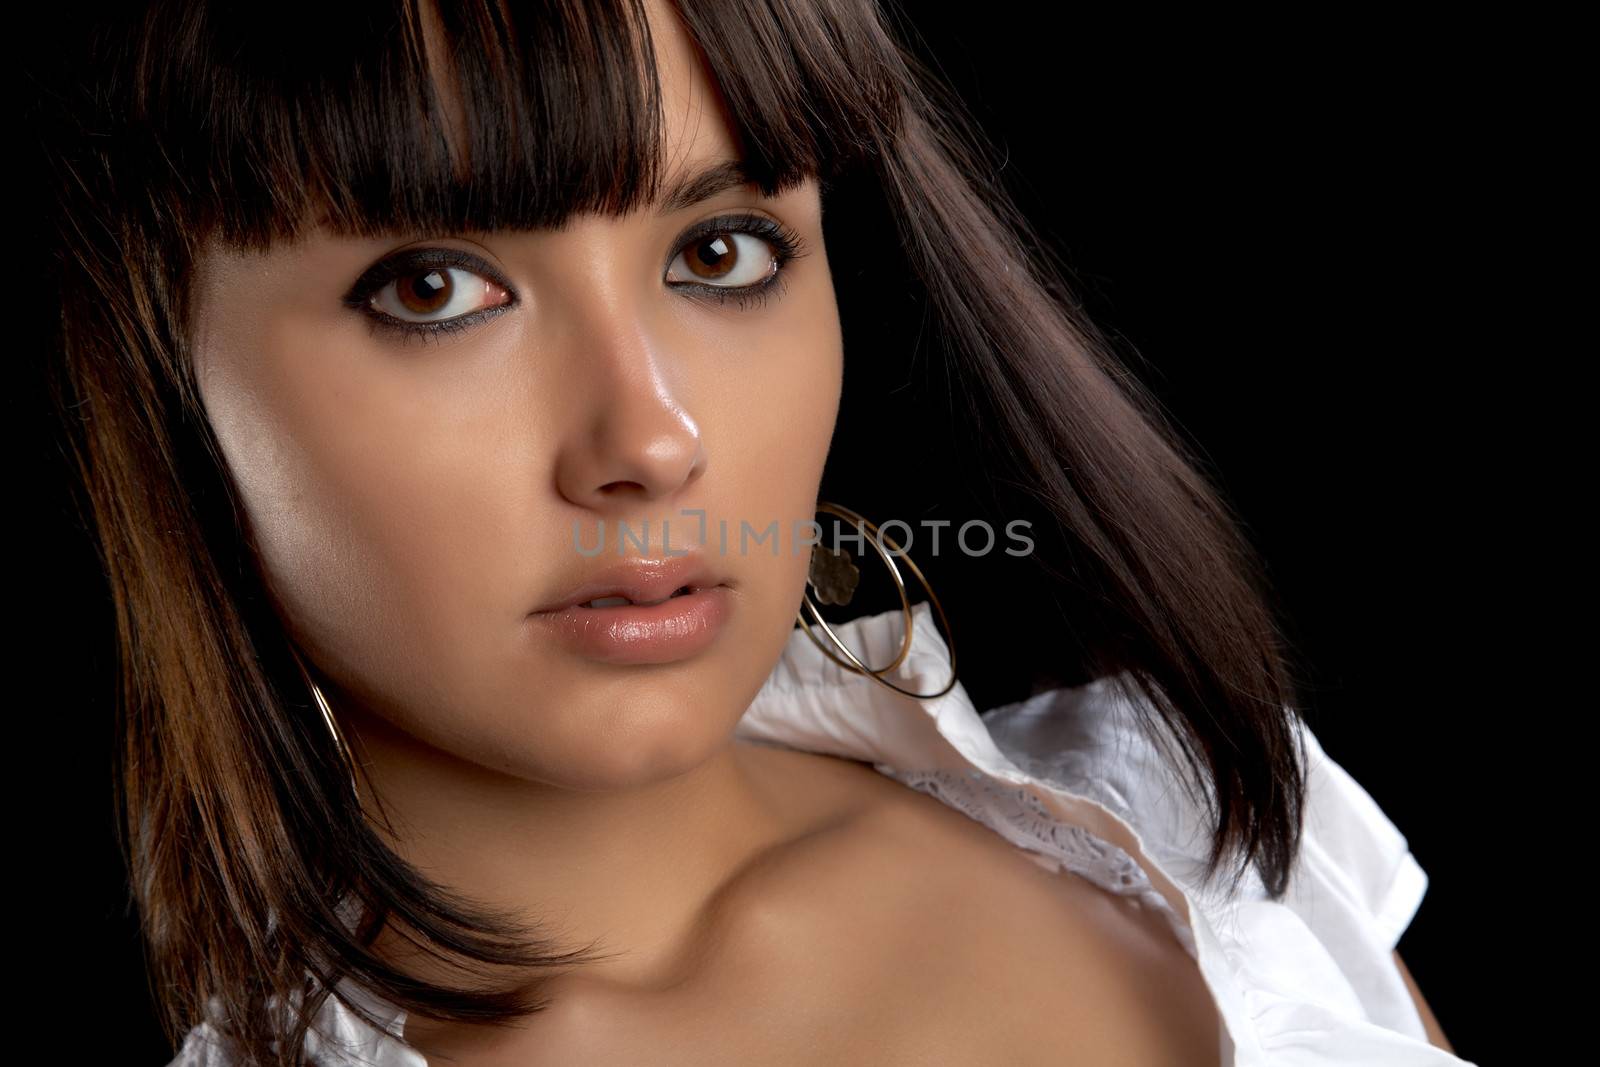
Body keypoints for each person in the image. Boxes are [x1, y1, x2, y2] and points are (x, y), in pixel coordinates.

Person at [40, 1, 1470, 1064]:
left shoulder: (1197, 816)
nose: (651, 437)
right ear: (155, 365)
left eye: (719, 254)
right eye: (434, 288)